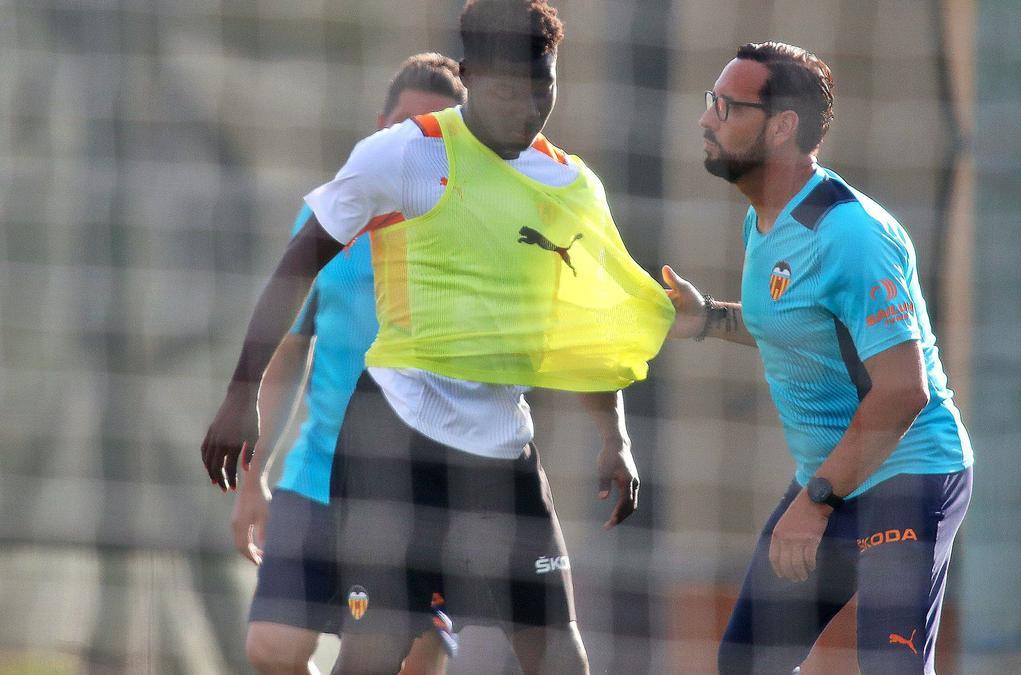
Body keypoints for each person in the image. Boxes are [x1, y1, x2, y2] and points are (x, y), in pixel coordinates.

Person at [200, 1, 674, 673]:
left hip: (503, 444)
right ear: (472, 76)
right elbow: (299, 259)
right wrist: (239, 394)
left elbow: (590, 326)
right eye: (511, 90)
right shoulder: (405, 154)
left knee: (559, 653)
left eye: (544, 88)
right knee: (375, 646)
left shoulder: (570, 184)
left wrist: (614, 436)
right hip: (393, 436)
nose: (529, 107)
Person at [662, 42, 973, 674]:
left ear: (782, 127)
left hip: (904, 476)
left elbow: (902, 390)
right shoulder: (764, 219)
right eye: (709, 102)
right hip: (832, 479)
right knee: (746, 663)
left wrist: (816, 502)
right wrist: (710, 320)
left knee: (891, 669)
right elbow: (805, 324)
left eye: (727, 106)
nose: (706, 119)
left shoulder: (852, 234)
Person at [229, 53, 467, 675]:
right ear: (380, 126)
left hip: (422, 492)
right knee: (270, 648)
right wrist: (254, 476)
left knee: (407, 664)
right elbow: (288, 351)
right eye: (404, 127)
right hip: (318, 478)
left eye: (435, 132)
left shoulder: (472, 230)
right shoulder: (329, 217)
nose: (416, 143)